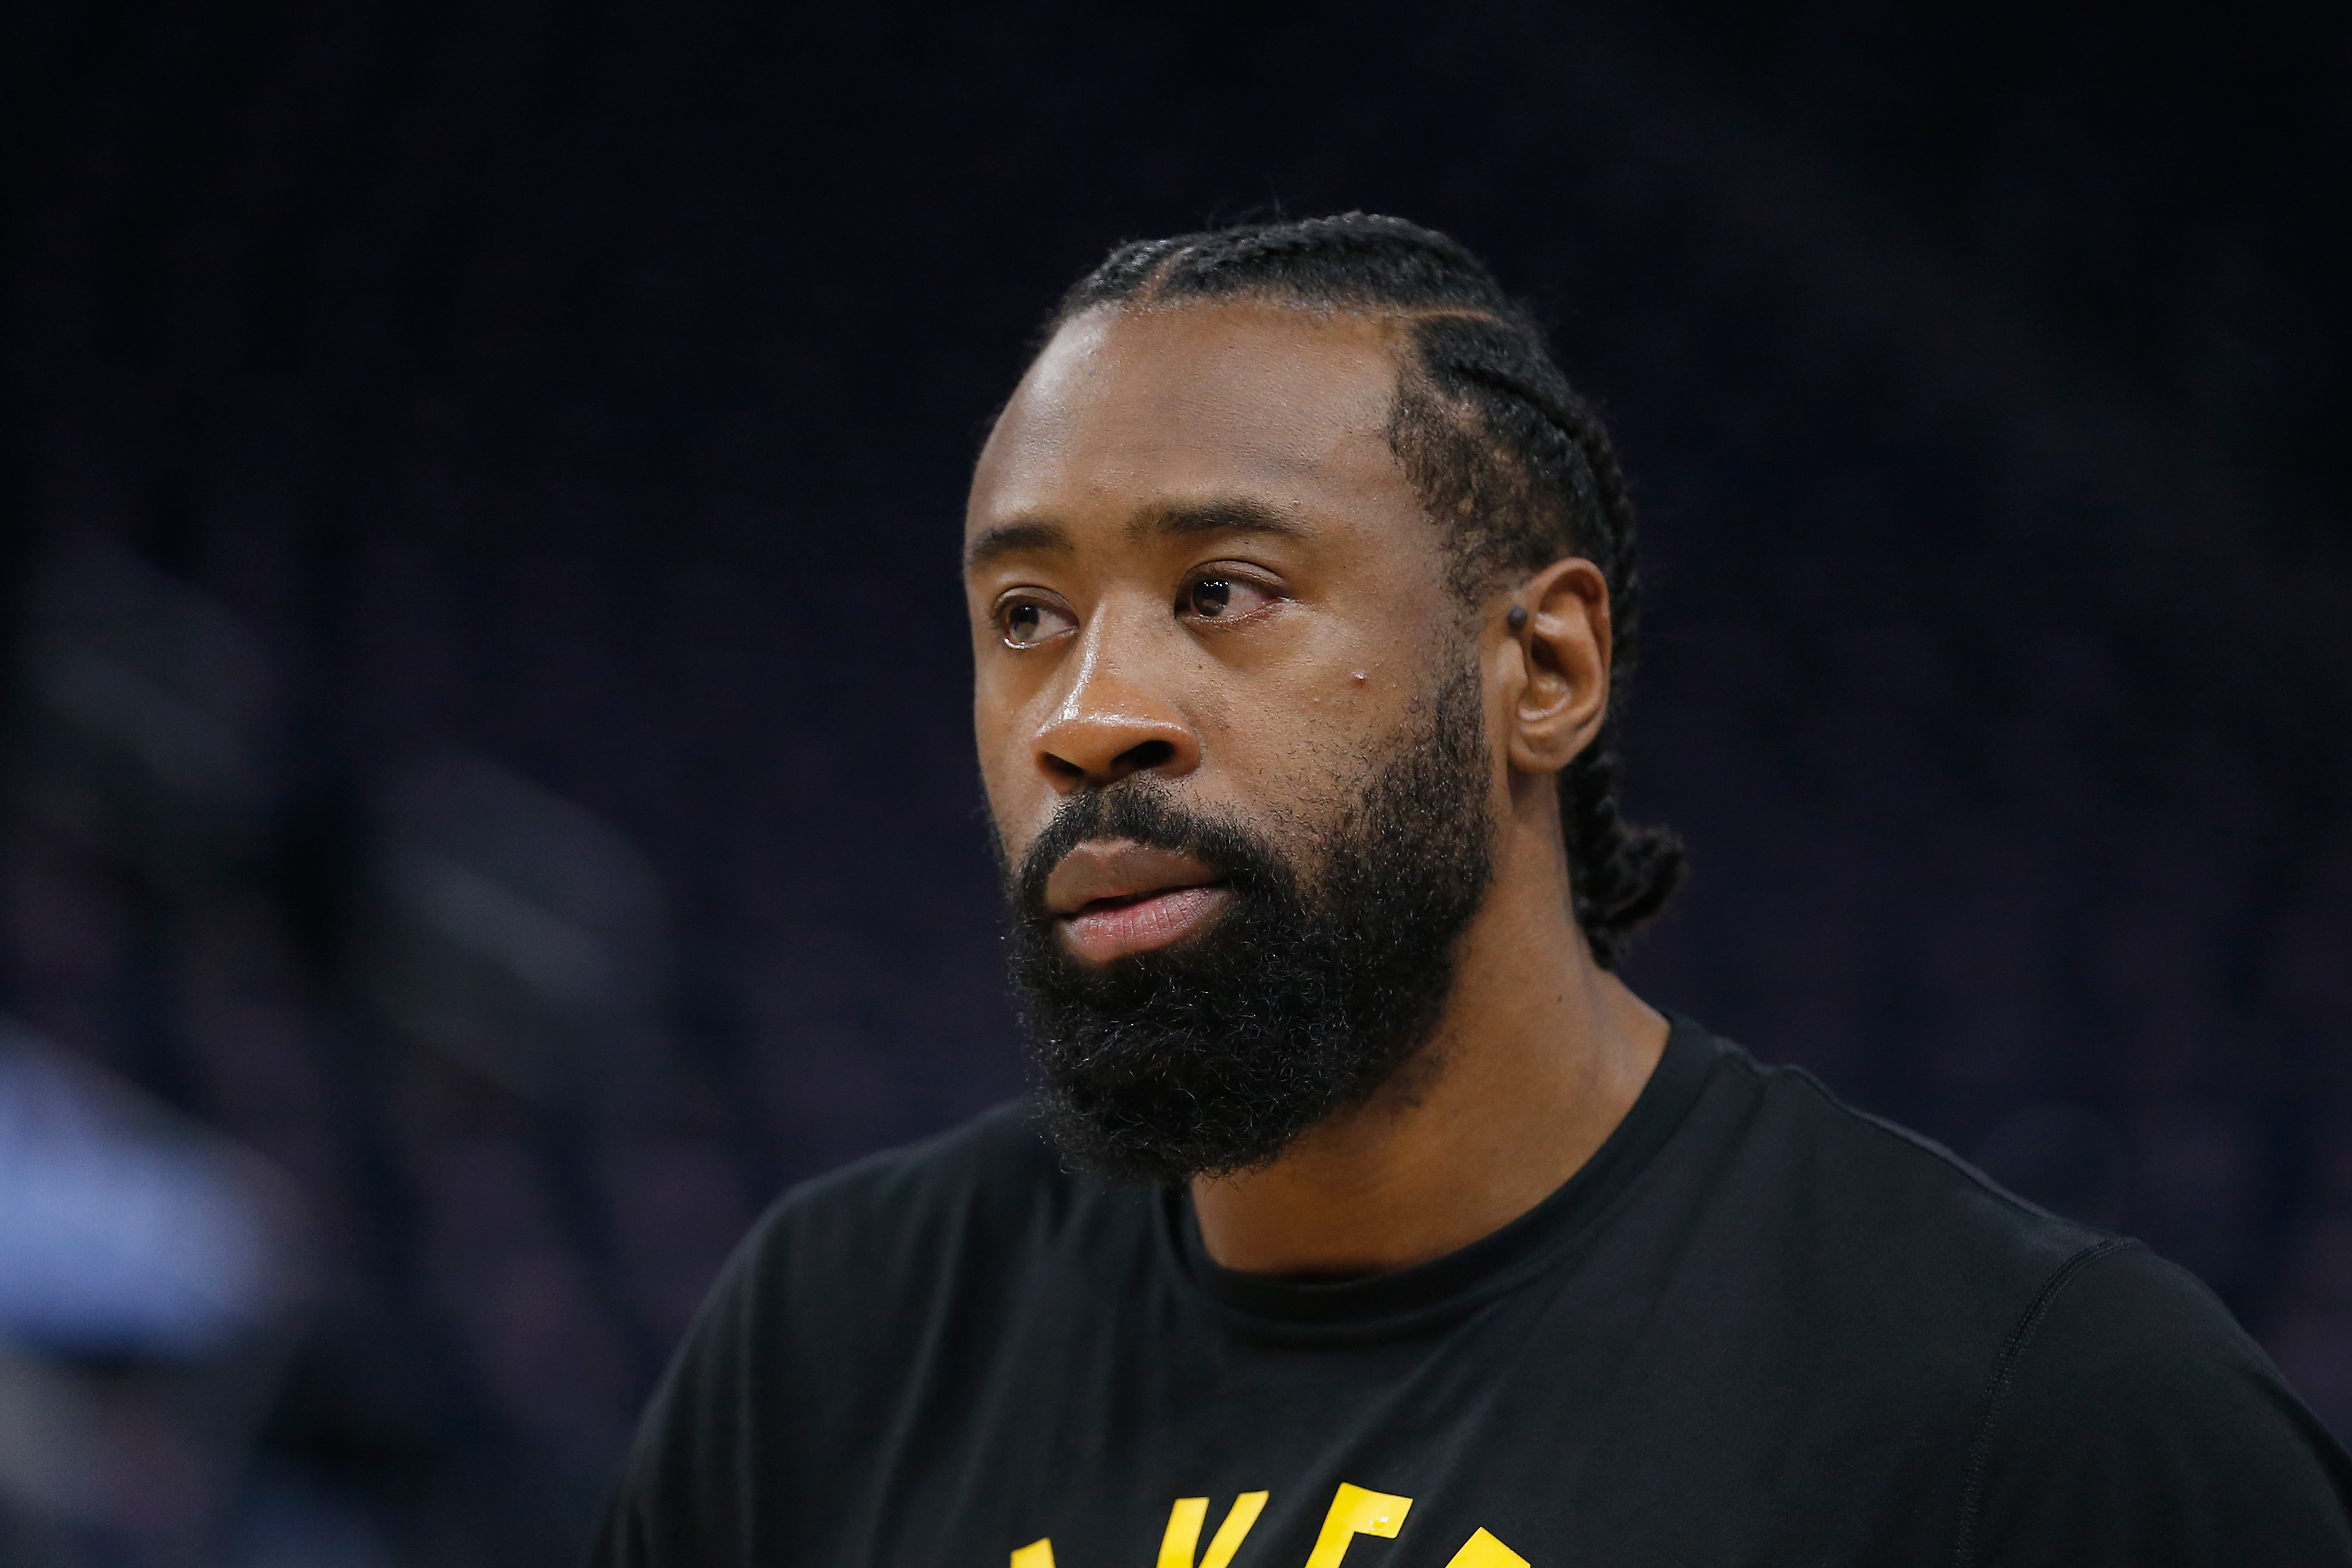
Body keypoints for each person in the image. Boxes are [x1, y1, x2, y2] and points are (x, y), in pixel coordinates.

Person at [590, 214, 2352, 1567]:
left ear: (1545, 668)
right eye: (1025, 618)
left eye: (1224, 589)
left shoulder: (2033, 1415)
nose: (1086, 717)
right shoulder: (837, 1332)